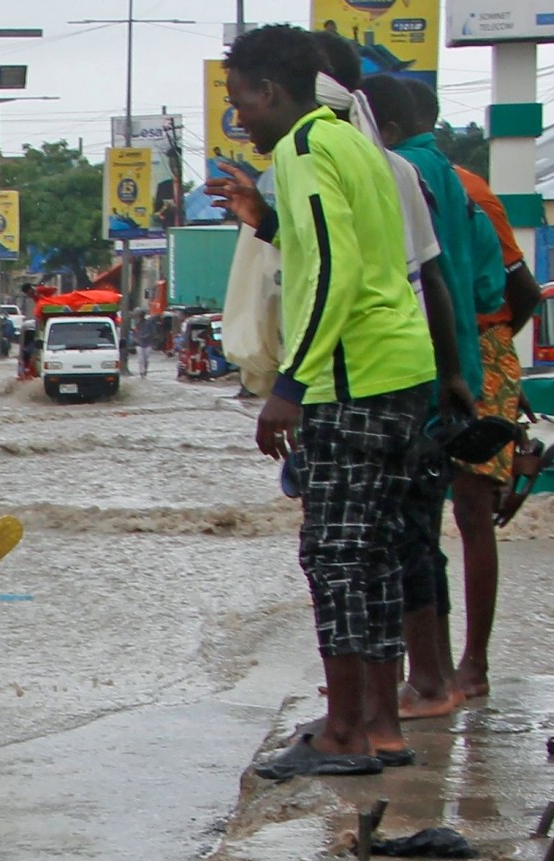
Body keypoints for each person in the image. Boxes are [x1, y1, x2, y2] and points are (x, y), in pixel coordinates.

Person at [207, 24, 438, 780]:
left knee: (335, 555)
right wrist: (265, 220)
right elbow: (350, 249)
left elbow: (335, 273)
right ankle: (382, 726)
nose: (239, 118)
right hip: (403, 367)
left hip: (352, 376)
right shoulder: (351, 142)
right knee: (376, 553)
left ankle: (342, 732)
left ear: (272, 91)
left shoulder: (304, 151)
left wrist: (291, 386)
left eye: (240, 101)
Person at [361, 74, 506, 721]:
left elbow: (409, 272)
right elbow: (489, 283)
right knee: (429, 529)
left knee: (403, 534)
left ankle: (424, 680)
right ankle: (442, 671)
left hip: (408, 371)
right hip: (455, 366)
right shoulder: (460, 181)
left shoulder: (392, 171)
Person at [133, 313, 156, 377]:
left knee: (146, 359)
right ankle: (141, 372)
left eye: (141, 316)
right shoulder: (137, 324)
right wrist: (136, 339)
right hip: (139, 344)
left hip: (148, 343)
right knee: (140, 359)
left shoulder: (149, 323)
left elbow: (153, 332)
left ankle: (145, 369)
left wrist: (148, 335)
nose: (140, 318)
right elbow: (134, 332)